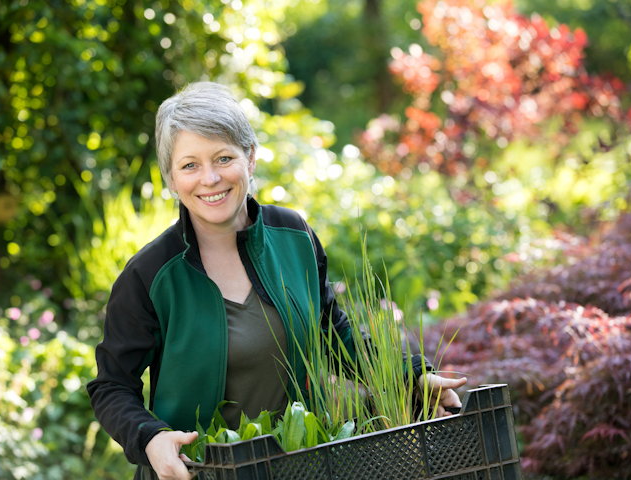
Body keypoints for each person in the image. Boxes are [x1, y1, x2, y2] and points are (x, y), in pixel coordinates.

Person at [87, 82, 467, 480]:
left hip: (297, 465)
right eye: (190, 165)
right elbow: (112, 386)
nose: (210, 178)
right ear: (171, 178)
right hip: (197, 472)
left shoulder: (293, 235)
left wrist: (412, 376)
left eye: (223, 157)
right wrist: (151, 439)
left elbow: (331, 333)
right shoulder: (150, 274)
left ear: (249, 158)